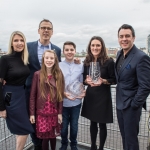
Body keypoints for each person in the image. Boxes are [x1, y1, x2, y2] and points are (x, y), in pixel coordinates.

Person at [25, 19, 62, 150]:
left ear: (52, 32)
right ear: (38, 30)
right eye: (43, 27)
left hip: (51, 100)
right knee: (34, 125)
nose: (46, 30)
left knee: (50, 130)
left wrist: (75, 61)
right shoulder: (28, 46)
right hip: (32, 92)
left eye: (49, 28)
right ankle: (36, 146)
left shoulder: (57, 50)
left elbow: (59, 69)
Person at [115, 24, 150, 150]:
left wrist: (135, 105)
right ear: (118, 38)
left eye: (127, 36)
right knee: (124, 137)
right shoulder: (119, 54)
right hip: (120, 104)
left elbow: (145, 86)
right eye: (121, 36)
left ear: (133, 38)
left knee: (131, 140)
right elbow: (119, 78)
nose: (124, 39)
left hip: (131, 107)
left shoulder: (141, 57)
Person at [0, 31, 34, 150]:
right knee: (25, 129)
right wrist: (2, 108)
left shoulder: (24, 59)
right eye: (16, 40)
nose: (19, 43)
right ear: (11, 43)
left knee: (20, 129)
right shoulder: (5, 59)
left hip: (22, 95)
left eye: (21, 40)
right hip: (11, 97)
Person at [81, 36, 116, 150]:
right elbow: (83, 80)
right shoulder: (86, 61)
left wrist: (104, 81)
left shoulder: (109, 61)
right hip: (91, 95)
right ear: (89, 47)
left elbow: (114, 79)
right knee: (92, 123)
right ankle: (93, 146)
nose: (95, 48)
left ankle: (101, 147)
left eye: (98, 45)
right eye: (93, 45)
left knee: (102, 124)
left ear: (102, 47)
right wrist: (86, 81)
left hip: (103, 95)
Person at [29, 50, 65, 150]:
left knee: (53, 136)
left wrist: (60, 113)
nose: (49, 60)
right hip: (42, 112)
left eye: (51, 58)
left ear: (55, 60)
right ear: (43, 59)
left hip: (54, 111)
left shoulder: (58, 74)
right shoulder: (37, 74)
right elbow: (32, 95)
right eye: (47, 58)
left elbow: (60, 96)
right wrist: (32, 114)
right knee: (45, 137)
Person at [59, 41, 85, 150]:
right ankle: (64, 144)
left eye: (71, 50)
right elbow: (56, 83)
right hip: (63, 102)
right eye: (67, 50)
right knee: (63, 127)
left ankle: (73, 144)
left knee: (74, 126)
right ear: (63, 51)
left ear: (75, 51)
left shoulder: (80, 66)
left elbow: (81, 82)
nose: (69, 52)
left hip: (76, 102)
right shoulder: (58, 65)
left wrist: (83, 91)